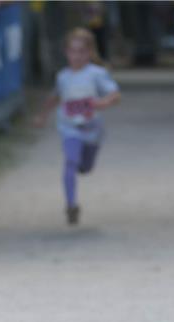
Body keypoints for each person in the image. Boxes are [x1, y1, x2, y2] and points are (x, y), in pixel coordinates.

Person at [33, 28, 121, 226]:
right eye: (73, 51)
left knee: (85, 167)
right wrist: (42, 115)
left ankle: (82, 164)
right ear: (66, 53)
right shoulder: (62, 76)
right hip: (69, 126)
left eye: (82, 51)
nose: (77, 56)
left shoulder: (97, 74)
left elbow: (115, 94)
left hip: (92, 129)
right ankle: (71, 204)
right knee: (70, 161)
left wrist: (104, 103)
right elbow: (55, 97)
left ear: (90, 52)